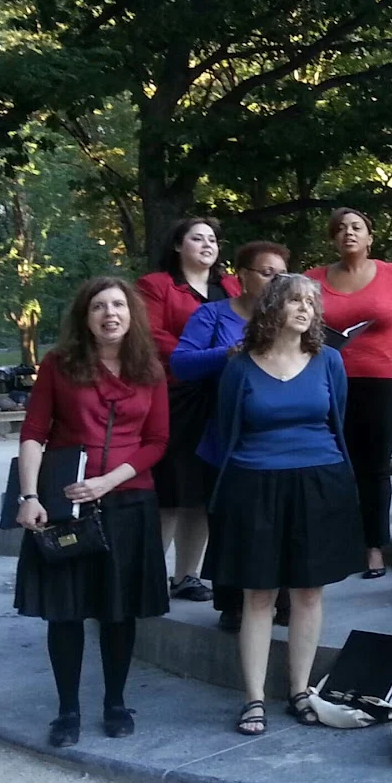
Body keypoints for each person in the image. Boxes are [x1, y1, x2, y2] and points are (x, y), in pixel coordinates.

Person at [14, 277, 170, 749]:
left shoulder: (150, 369)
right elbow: (34, 431)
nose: (110, 313)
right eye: (99, 306)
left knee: (118, 612)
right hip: (67, 506)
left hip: (128, 501)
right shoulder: (59, 364)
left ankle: (115, 703)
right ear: (85, 317)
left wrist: (108, 481)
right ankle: (67, 710)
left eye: (118, 304)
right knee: (65, 613)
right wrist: (29, 496)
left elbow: (156, 441)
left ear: (132, 314)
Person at [206, 274, 361, 736]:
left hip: (319, 481)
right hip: (254, 485)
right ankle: (253, 698)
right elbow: (227, 428)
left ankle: (300, 690)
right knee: (258, 594)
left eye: (311, 302)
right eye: (294, 300)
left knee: (309, 592)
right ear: (272, 307)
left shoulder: (330, 360)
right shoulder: (239, 367)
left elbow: (338, 419)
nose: (304, 309)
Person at [172, 241, 291, 632]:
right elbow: (181, 364)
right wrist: (227, 353)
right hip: (225, 436)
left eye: (281, 275)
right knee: (229, 522)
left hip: (279, 437)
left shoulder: (292, 317)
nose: (275, 281)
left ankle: (284, 598)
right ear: (242, 276)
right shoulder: (212, 314)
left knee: (280, 522)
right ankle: (233, 602)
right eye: (266, 273)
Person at [304, 208, 392, 579]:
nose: (349, 233)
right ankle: (337, 543)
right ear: (332, 239)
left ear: (370, 237)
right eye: (340, 228)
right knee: (332, 464)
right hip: (326, 381)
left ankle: (374, 546)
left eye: (357, 227)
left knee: (375, 466)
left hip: (383, 382)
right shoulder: (311, 280)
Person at [136, 217, 242, 605]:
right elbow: (150, 334)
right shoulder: (156, 285)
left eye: (212, 239)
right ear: (178, 245)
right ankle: (147, 579)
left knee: (201, 493)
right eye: (197, 238)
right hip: (176, 394)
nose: (207, 244)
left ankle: (187, 576)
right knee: (170, 489)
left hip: (222, 396)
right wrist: (202, 352)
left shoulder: (231, 287)